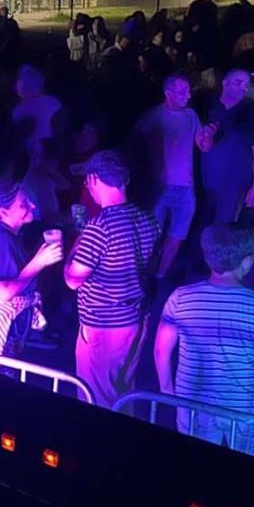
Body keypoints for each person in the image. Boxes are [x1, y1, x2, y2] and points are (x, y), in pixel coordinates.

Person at [154, 225, 254, 461]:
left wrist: (168, 391)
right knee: (244, 476)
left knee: (196, 468)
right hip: (247, 412)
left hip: (193, 405)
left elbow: (162, 350)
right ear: (248, 261)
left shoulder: (180, 298)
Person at [64, 150, 160, 409]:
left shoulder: (99, 227)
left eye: (86, 180)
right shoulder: (148, 219)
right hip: (136, 318)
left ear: (94, 179)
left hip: (104, 325)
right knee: (123, 392)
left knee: (96, 400)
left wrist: (78, 243)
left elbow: (73, 279)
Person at [0, 181, 63, 376]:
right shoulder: (1, 239)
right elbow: (6, 292)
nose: (33, 206)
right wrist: (39, 262)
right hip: (0, 328)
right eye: (24, 204)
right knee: (0, 386)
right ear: (3, 212)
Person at [135, 75, 213, 279]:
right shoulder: (153, 116)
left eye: (188, 91)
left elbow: (204, 147)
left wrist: (208, 136)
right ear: (168, 93)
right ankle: (143, 276)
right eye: (182, 92)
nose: (188, 95)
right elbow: (135, 146)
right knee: (150, 237)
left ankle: (159, 277)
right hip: (159, 189)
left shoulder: (191, 115)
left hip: (186, 188)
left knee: (177, 237)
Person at [203, 69, 254, 225]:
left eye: (246, 85)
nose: (243, 88)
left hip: (234, 183)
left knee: (223, 227)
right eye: (238, 83)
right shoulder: (209, 104)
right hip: (205, 181)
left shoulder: (253, 111)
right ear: (224, 83)